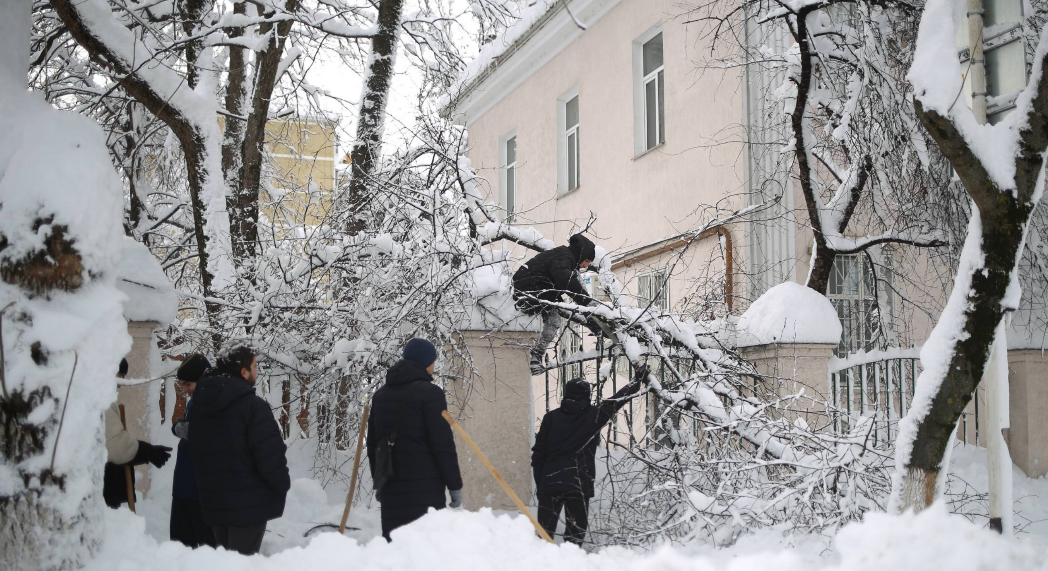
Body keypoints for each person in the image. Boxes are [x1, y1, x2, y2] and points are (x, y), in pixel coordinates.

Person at [188, 346, 290, 555]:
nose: (256, 372)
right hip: (248, 507)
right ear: (244, 372)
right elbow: (270, 457)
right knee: (242, 563)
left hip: (215, 503)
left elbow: (197, 451)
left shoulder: (200, 406)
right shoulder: (253, 407)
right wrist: (282, 485)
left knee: (226, 562)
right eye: (254, 367)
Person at [531, 365, 647, 545]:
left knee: (543, 537)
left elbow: (538, 454)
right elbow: (616, 401)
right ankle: (571, 558)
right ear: (587, 396)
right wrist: (637, 381)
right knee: (574, 537)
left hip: (550, 482)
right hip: (578, 483)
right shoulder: (594, 416)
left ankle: (541, 559)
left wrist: (542, 484)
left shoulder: (551, 418)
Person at [367, 338, 463, 541]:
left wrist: (380, 481)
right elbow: (442, 444)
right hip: (426, 490)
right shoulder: (431, 394)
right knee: (424, 548)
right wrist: (454, 485)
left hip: (391, 487)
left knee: (395, 548)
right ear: (426, 361)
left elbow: (374, 445)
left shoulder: (380, 396)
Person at [512, 233, 597, 375]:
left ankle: (535, 355)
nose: (586, 265)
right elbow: (566, 281)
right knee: (554, 320)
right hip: (530, 290)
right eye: (587, 261)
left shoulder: (563, 255)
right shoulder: (565, 257)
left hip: (536, 288)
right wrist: (587, 303)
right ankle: (535, 355)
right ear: (581, 255)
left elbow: (560, 281)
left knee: (559, 312)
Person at [103, 358, 172, 509]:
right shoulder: (100, 397)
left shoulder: (100, 395)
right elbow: (117, 447)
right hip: (99, 490)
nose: (120, 384)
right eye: (120, 376)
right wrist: (148, 452)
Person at [168, 354, 217, 548]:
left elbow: (204, 432)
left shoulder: (211, 400)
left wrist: (179, 428)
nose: (185, 389)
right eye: (182, 385)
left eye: (187, 384)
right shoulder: (196, 401)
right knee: (183, 543)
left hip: (199, 489)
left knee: (198, 545)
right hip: (187, 484)